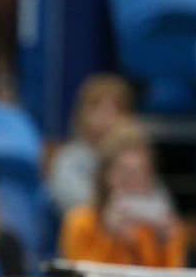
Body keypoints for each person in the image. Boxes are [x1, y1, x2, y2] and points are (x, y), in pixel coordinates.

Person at [58, 122, 186, 268]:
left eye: (139, 172)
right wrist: (108, 237)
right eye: (123, 171)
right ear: (104, 176)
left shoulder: (161, 226)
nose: (131, 181)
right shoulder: (79, 222)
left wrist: (166, 243)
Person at [46, 73, 135, 216]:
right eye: (98, 107)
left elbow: (159, 203)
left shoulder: (136, 160)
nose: (107, 116)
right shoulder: (68, 159)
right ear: (83, 114)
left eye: (116, 109)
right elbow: (78, 207)